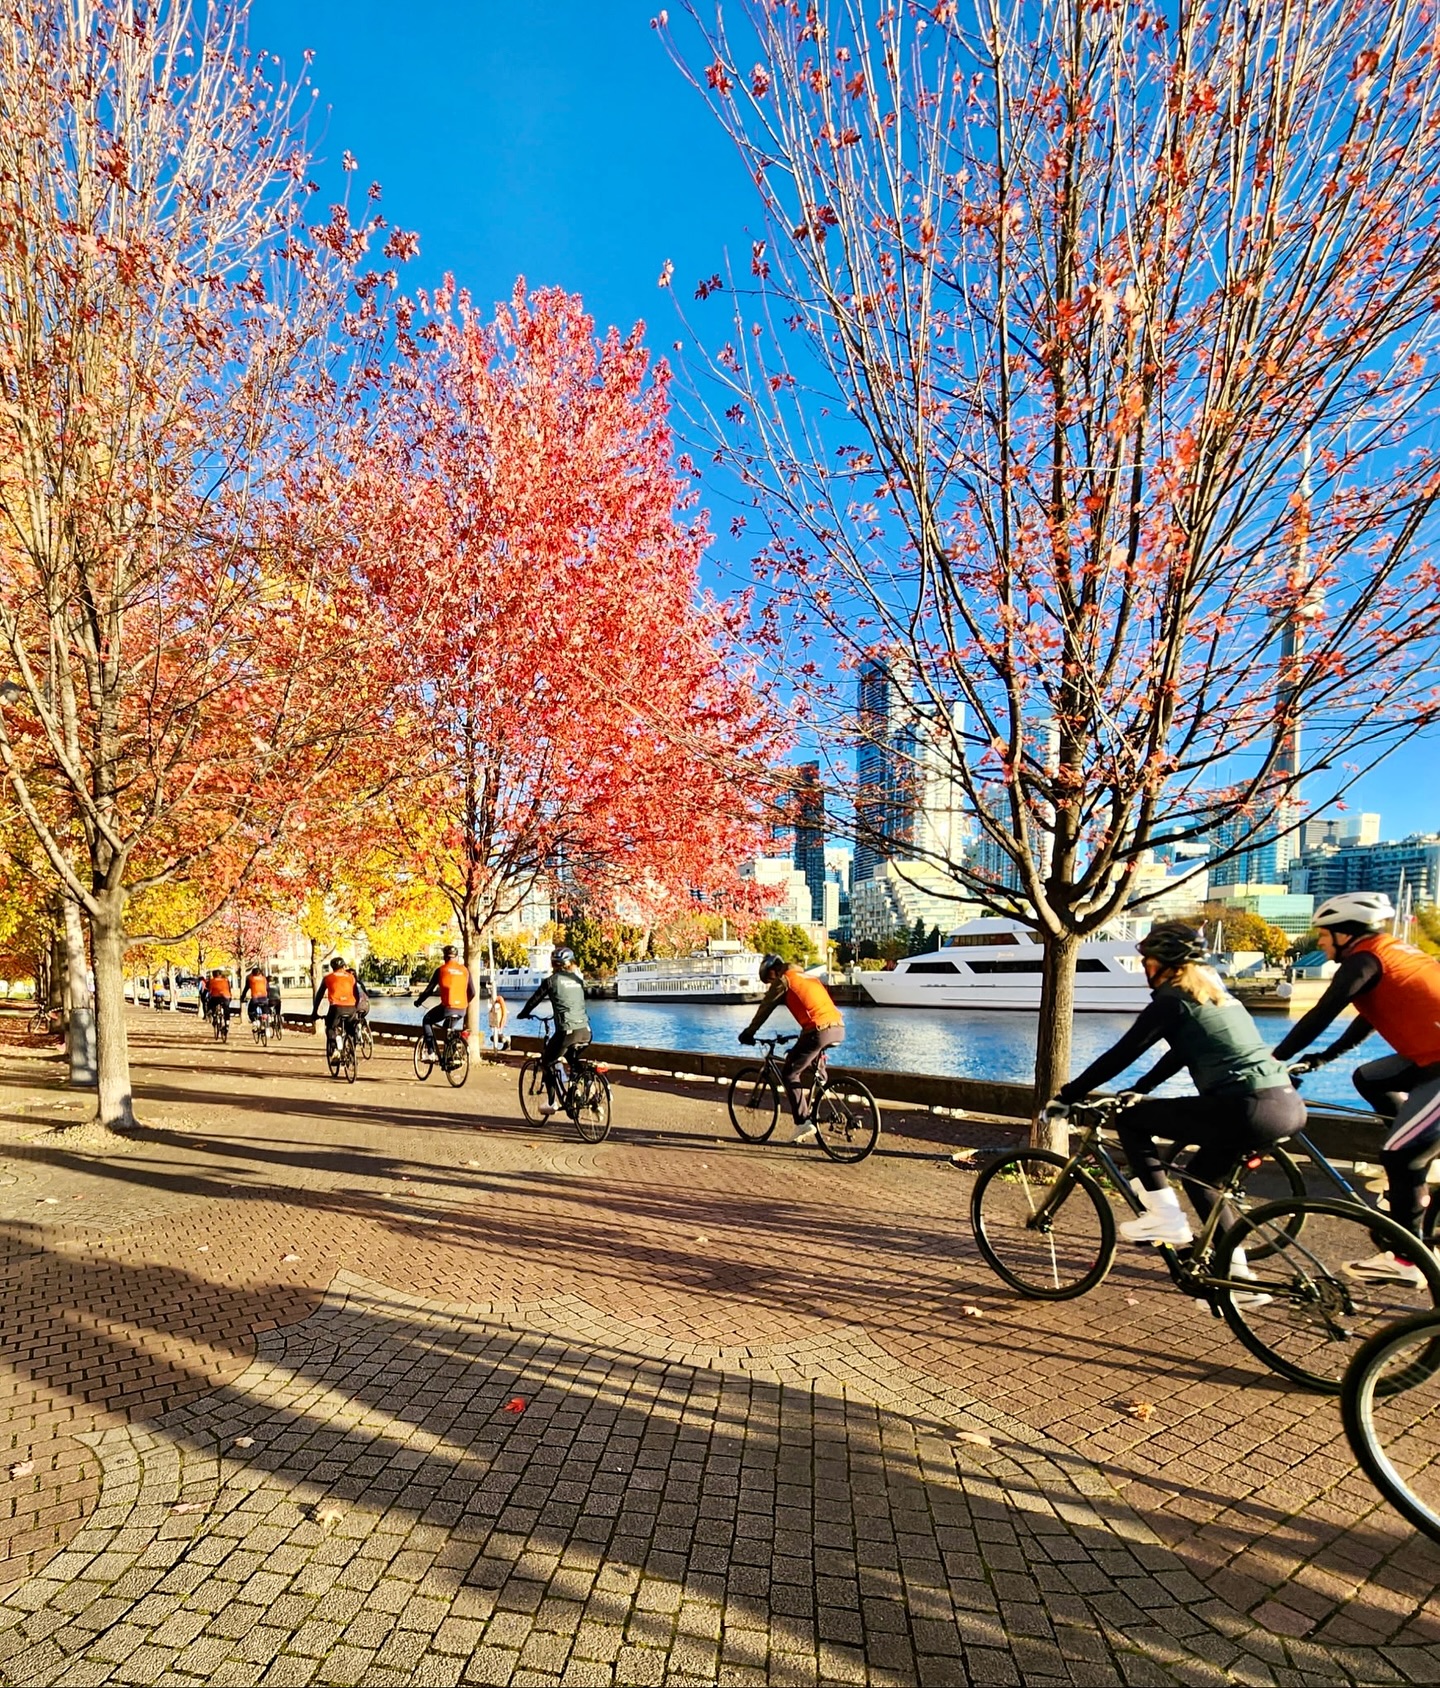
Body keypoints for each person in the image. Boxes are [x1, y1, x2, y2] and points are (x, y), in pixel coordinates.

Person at [1046, 922, 1303, 1274]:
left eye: (1147, 961)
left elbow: (1121, 1054)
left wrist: (1067, 1096)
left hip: (1246, 1107)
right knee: (1202, 1180)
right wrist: (1143, 1088)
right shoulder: (1216, 998)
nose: (1144, 968)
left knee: (1131, 1121)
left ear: (1164, 964)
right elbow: (1181, 1052)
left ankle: (1165, 1217)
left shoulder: (1172, 1002)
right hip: (1286, 1106)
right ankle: (1236, 1275)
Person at [1271, 891, 1440, 1288]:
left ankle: (1407, 1259)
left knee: (1399, 1155)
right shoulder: (1388, 954)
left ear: (1344, 933)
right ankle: (1419, 1158)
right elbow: (1366, 1020)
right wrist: (1323, 1058)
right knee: (1370, 1077)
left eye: (1323, 935)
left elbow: (1322, 1012)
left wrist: (1274, 1060)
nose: (1320, 943)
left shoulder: (1363, 961)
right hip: (1427, 1058)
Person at [738, 954, 845, 1144]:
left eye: (769, 979)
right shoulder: (808, 977)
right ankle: (821, 1085)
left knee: (789, 1073)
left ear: (773, 971)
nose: (771, 984)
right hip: (838, 1028)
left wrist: (749, 1032)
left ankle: (802, 1122)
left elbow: (765, 1009)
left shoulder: (784, 980)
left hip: (819, 1030)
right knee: (804, 1056)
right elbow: (814, 1009)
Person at [520, 947, 590, 1116]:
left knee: (547, 1062)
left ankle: (551, 1102)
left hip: (567, 1031)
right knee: (571, 1058)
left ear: (553, 964)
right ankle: (585, 1084)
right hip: (585, 1031)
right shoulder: (578, 980)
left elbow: (534, 1000)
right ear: (571, 963)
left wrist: (523, 1013)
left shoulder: (551, 981)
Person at [414, 945, 475, 1054]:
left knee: (427, 1020)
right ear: (457, 957)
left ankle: (431, 1052)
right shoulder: (465, 971)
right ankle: (452, 1054)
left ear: (445, 957)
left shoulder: (441, 970)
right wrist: (464, 1003)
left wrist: (419, 1001)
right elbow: (472, 992)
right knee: (447, 1029)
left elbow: (429, 990)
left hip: (447, 1008)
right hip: (462, 1009)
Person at [312, 956, 368, 1057]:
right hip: (351, 1007)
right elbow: (357, 994)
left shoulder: (328, 978)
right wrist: (355, 1007)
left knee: (330, 1027)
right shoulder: (351, 977)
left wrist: (314, 1012)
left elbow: (319, 995)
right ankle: (351, 1051)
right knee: (350, 1028)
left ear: (332, 967)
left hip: (336, 1007)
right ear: (343, 966)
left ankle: (335, 1049)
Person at [240, 963, 272, 1028]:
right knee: (265, 1010)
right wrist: (268, 997)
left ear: (252, 973)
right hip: (264, 998)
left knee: (251, 1011)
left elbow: (246, 989)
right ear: (260, 973)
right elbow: (268, 989)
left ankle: (255, 1022)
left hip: (255, 999)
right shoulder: (264, 979)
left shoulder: (250, 979)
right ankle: (266, 1022)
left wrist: (242, 997)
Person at [487, 987, 510, 1052]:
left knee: (499, 1037)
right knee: (493, 1037)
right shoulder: (493, 1001)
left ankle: (506, 1042)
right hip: (497, 1022)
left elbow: (504, 1013)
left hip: (500, 1021)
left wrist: (501, 1025)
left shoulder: (500, 999)